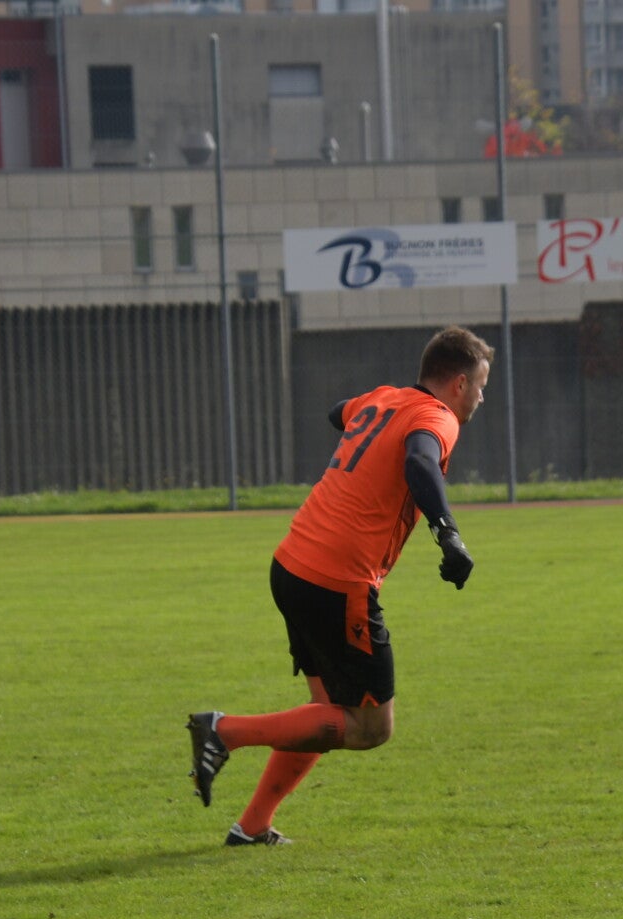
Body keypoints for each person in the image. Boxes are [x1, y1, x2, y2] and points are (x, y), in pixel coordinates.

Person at [186, 325, 490, 846]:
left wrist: (371, 423)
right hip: (336, 580)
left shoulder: (382, 398)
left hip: (293, 564)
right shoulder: (437, 416)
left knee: (324, 711)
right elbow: (420, 460)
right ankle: (224, 731)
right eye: (481, 386)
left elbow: (338, 412)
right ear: (459, 383)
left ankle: (252, 826)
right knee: (371, 728)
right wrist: (449, 535)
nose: (482, 397)